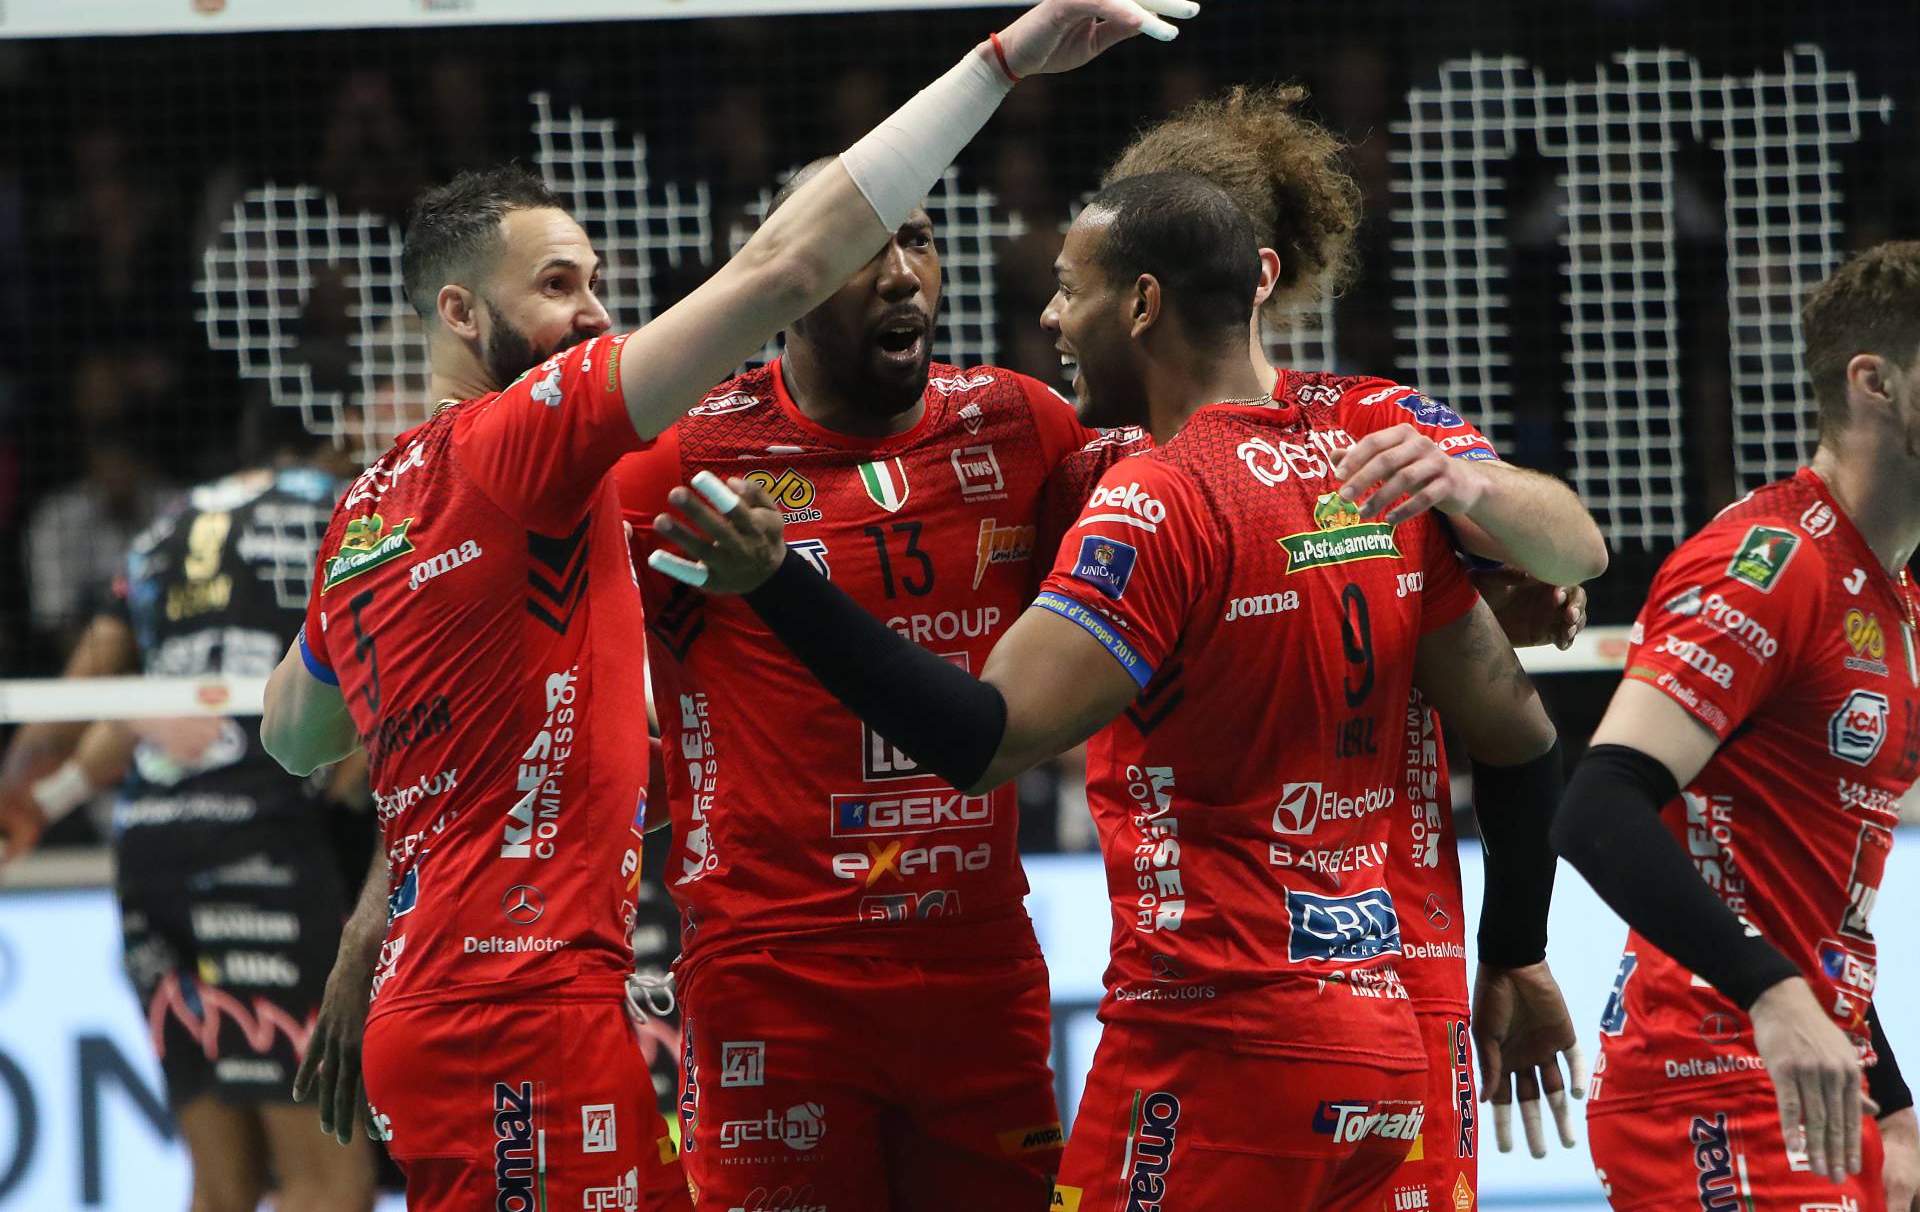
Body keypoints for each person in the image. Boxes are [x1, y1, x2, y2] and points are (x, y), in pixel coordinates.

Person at [257, 0, 1200, 1212]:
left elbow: (318, 728)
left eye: (918, 239)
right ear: (458, 311)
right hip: (707, 983)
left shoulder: (375, 509)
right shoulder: (604, 456)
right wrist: (1005, 59)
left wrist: (381, 919)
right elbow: (775, 269)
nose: (595, 316)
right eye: (559, 286)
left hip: (953, 960)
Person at [649, 171, 1572, 1212]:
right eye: (866, 244)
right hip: (1380, 1028)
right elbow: (1542, 675)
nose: (1048, 317)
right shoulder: (1367, 462)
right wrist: (1519, 942)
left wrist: (778, 581)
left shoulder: (1133, 487)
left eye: (1066, 287)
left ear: (1141, 303)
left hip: (1213, 1027)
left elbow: (985, 736)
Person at [1099, 84, 1611, 1207]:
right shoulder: (1119, 454)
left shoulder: (1370, 426)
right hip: (1333, 999)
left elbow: (1577, 550)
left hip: (1292, 992)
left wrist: (1471, 492)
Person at [612, 158, 1094, 1210]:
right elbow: (537, 643)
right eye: (860, 248)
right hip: (774, 967)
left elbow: (1170, 568)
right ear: (783, 283)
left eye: (916, 239)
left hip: (977, 961)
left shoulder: (1023, 425)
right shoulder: (685, 459)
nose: (901, 274)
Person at [1554, 241, 1920, 1212]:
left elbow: (1808, 899)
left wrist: (1893, 1105)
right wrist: (1771, 989)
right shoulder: (1772, 562)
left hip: (1815, 1080)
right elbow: (1596, 806)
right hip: (1710, 1081)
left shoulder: (1894, 598)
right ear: (1876, 382)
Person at [0, 397, 376, 1212]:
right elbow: (373, 705)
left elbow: (81, 705)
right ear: (340, 434)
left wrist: (38, 795)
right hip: (260, 850)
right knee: (329, 1185)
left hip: (149, 858)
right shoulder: (357, 508)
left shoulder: (165, 527)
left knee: (222, 1184)